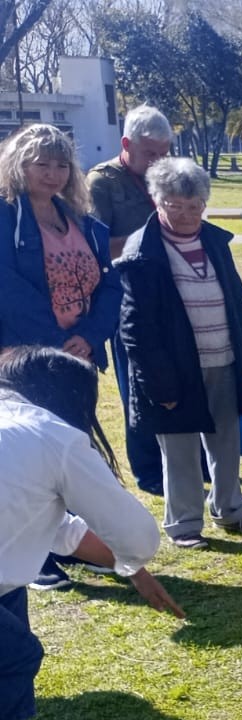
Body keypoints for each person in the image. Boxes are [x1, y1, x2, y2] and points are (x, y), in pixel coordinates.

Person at [0, 346, 184, 720]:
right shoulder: (50, 435)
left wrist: (132, 568)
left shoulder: (15, 432)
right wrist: (133, 555)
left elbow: (54, 527)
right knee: (15, 656)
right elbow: (138, 536)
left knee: (10, 599)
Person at [0, 123, 125, 590]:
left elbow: (110, 283)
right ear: (19, 165)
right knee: (34, 457)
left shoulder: (80, 219)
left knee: (73, 449)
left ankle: (79, 543)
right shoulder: (5, 218)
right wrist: (52, 344)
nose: (52, 173)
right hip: (25, 359)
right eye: (41, 164)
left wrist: (89, 336)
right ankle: (37, 556)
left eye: (61, 165)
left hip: (78, 356)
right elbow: (8, 289)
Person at [118, 156, 242, 549]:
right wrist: (159, 385)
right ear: (157, 202)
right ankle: (183, 523)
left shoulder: (215, 241)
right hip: (174, 371)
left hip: (224, 360)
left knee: (227, 441)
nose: (186, 214)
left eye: (194, 205)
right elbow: (136, 330)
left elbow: (238, 302)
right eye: (175, 205)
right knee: (180, 448)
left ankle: (231, 509)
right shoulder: (142, 251)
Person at [86, 105, 173, 496]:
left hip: (170, 292)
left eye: (164, 152)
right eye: (150, 153)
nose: (158, 161)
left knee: (177, 377)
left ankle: (188, 460)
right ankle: (149, 470)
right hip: (126, 298)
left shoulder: (166, 175)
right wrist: (150, 236)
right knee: (138, 384)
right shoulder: (102, 183)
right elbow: (95, 247)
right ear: (126, 143)